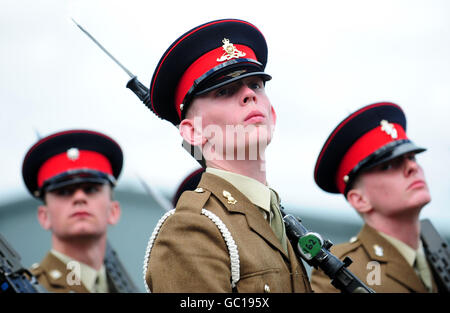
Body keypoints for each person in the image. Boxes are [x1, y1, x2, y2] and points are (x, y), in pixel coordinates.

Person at [142, 19, 312, 293]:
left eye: (256, 85)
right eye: (224, 90)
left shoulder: (278, 220)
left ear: (273, 114)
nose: (248, 94)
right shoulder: (192, 231)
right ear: (193, 132)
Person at [310, 102, 439, 293]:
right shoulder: (339, 270)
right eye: (388, 165)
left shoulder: (438, 253)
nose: (412, 167)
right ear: (359, 199)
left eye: (412, 157)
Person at [22, 129, 132, 293]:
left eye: (91, 189)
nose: (79, 198)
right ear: (44, 216)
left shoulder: (123, 286)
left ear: (113, 211)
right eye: (64, 192)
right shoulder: (25, 287)